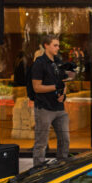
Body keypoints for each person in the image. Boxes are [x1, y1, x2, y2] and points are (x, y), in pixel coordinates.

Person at [31, 35, 73, 166]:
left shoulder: (59, 62)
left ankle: (62, 167)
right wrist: (55, 87)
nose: (58, 48)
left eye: (58, 45)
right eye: (55, 45)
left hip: (59, 109)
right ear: (46, 45)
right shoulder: (39, 63)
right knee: (41, 143)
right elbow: (36, 87)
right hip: (44, 108)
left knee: (65, 140)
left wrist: (63, 95)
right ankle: (37, 171)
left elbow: (64, 81)